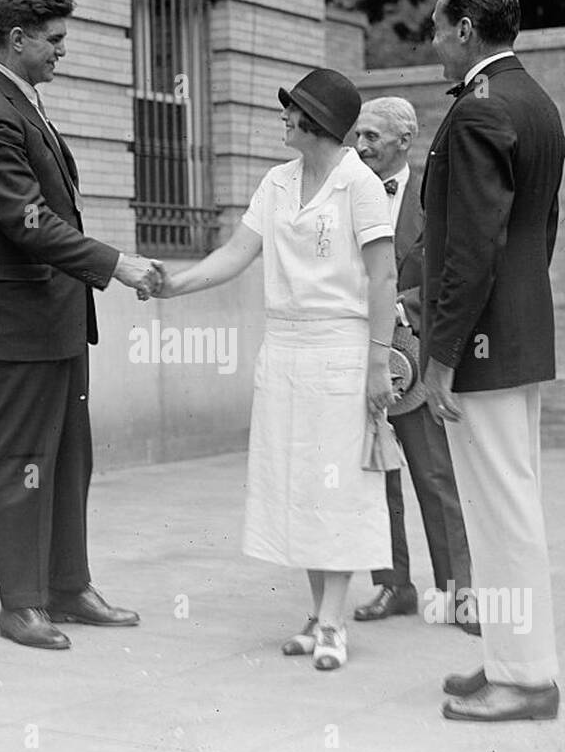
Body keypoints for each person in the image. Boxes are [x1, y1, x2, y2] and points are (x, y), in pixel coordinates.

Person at [153, 69, 397, 671]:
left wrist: (376, 363)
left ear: (316, 122)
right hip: (284, 353)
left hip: (340, 351)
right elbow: (237, 253)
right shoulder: (277, 181)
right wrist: (172, 286)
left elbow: (383, 277)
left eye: (292, 111)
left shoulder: (358, 185)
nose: (283, 118)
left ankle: (335, 624)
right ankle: (319, 619)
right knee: (299, 487)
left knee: (335, 488)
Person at [0, 0, 159, 650]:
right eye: (56, 40)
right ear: (18, 39)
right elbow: (28, 221)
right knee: (21, 461)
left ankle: (68, 588)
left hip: (59, 318)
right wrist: (114, 264)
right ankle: (21, 605)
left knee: (70, 459)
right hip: (17, 324)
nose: (62, 53)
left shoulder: (20, 104)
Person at [421, 0, 565, 721]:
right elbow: (537, 235)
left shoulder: (480, 112)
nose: (433, 40)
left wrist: (442, 351)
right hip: (512, 333)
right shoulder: (534, 101)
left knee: (503, 511)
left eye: (439, 26)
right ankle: (508, 658)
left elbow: (471, 246)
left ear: (468, 31)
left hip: (480, 341)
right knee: (501, 504)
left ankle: (529, 679)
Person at [350, 97, 475, 632]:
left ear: (405, 140)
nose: (361, 147)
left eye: (372, 137)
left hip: (414, 356)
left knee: (434, 475)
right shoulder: (348, 190)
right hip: (358, 352)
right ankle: (393, 584)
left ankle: (461, 592)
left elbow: (454, 266)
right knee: (378, 475)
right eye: (357, 136)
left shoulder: (435, 192)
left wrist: (402, 305)